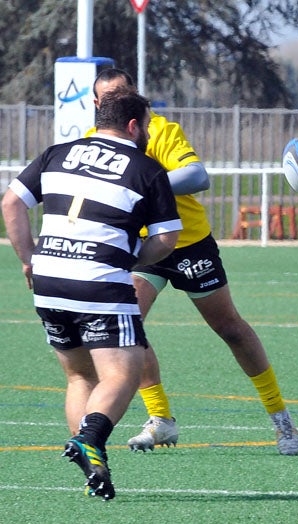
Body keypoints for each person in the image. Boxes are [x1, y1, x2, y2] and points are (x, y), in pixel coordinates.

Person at [90, 69, 298, 455]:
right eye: (107, 98)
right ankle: (161, 420)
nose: (115, 102)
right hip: (140, 250)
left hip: (187, 243)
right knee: (127, 324)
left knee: (230, 328)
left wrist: (143, 182)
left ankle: (280, 418)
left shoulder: (161, 131)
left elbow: (197, 175)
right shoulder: (93, 144)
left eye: (122, 94)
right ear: (96, 104)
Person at [2, 90, 182, 499]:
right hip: (99, 279)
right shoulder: (146, 169)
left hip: (48, 278)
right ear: (134, 126)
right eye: (148, 126)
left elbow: (11, 202)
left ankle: (92, 467)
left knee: (80, 374)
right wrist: (130, 257)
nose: (149, 134)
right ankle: (91, 440)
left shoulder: (56, 153)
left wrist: (30, 259)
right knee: (123, 372)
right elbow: (168, 238)